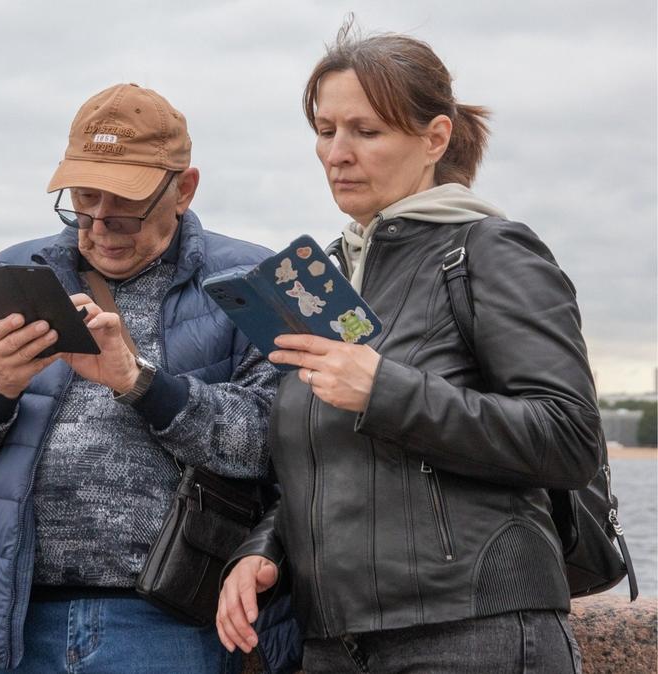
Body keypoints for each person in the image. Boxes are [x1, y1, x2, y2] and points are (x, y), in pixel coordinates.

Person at [217, 21, 599, 674]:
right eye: (325, 128)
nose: (337, 152)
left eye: (365, 131)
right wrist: (265, 551)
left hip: (475, 632)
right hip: (335, 641)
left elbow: (570, 438)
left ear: (435, 137)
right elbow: (324, 460)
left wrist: (384, 388)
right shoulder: (323, 276)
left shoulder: (488, 250)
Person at [0, 83, 297, 673]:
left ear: (185, 189)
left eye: (125, 205)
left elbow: (274, 447)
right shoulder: (19, 270)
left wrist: (141, 383)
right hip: (13, 613)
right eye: (84, 201)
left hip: (165, 617)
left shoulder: (250, 278)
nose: (100, 226)